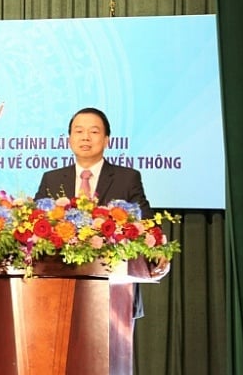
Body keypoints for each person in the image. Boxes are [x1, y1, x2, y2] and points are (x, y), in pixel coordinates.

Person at [35, 107, 167, 314]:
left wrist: (159, 249)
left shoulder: (127, 178)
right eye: (78, 131)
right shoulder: (51, 179)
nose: (85, 137)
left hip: (115, 292)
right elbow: (36, 225)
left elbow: (148, 224)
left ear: (107, 140)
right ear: (69, 139)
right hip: (57, 290)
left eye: (94, 132)